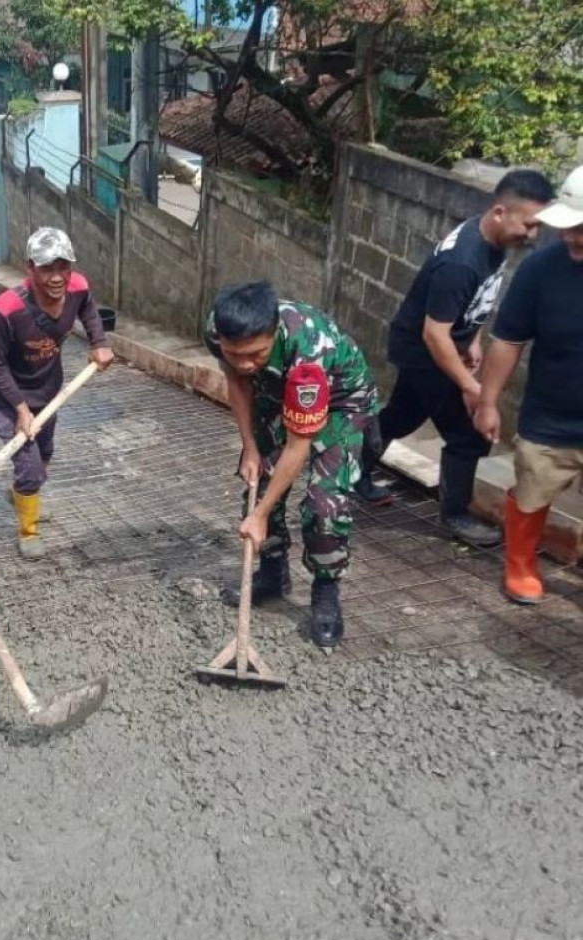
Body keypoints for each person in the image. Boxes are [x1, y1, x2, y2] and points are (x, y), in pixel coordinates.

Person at [357, 170, 554, 546]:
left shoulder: (490, 243)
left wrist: (473, 338)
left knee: (403, 415)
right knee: (469, 434)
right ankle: (456, 515)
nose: (532, 235)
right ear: (500, 212)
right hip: (425, 351)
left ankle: (352, 471)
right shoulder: (462, 261)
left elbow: (470, 305)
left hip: (438, 344)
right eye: (528, 225)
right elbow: (434, 333)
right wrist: (471, 388)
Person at [208, 281, 380, 647]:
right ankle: (272, 574)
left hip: (339, 402)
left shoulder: (308, 350)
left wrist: (261, 513)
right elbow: (238, 382)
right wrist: (250, 446)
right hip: (275, 391)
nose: (244, 362)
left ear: (274, 334)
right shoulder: (218, 331)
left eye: (256, 353)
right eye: (233, 352)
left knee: (325, 503)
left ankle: (326, 591)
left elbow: (298, 446)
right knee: (257, 485)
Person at [473, 166, 583, 604]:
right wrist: (488, 402)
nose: (571, 236)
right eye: (568, 227)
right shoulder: (540, 269)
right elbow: (508, 340)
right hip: (551, 417)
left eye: (582, 228)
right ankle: (520, 564)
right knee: (533, 492)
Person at [0, 227, 115, 559]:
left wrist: (99, 342)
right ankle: (28, 531)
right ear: (30, 268)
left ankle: (23, 493)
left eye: (62, 267)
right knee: (30, 466)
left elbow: (88, 308)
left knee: (44, 453)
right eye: (46, 268)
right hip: (7, 396)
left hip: (48, 390)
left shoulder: (77, 287)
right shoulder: (6, 309)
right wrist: (21, 410)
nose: (57, 277)